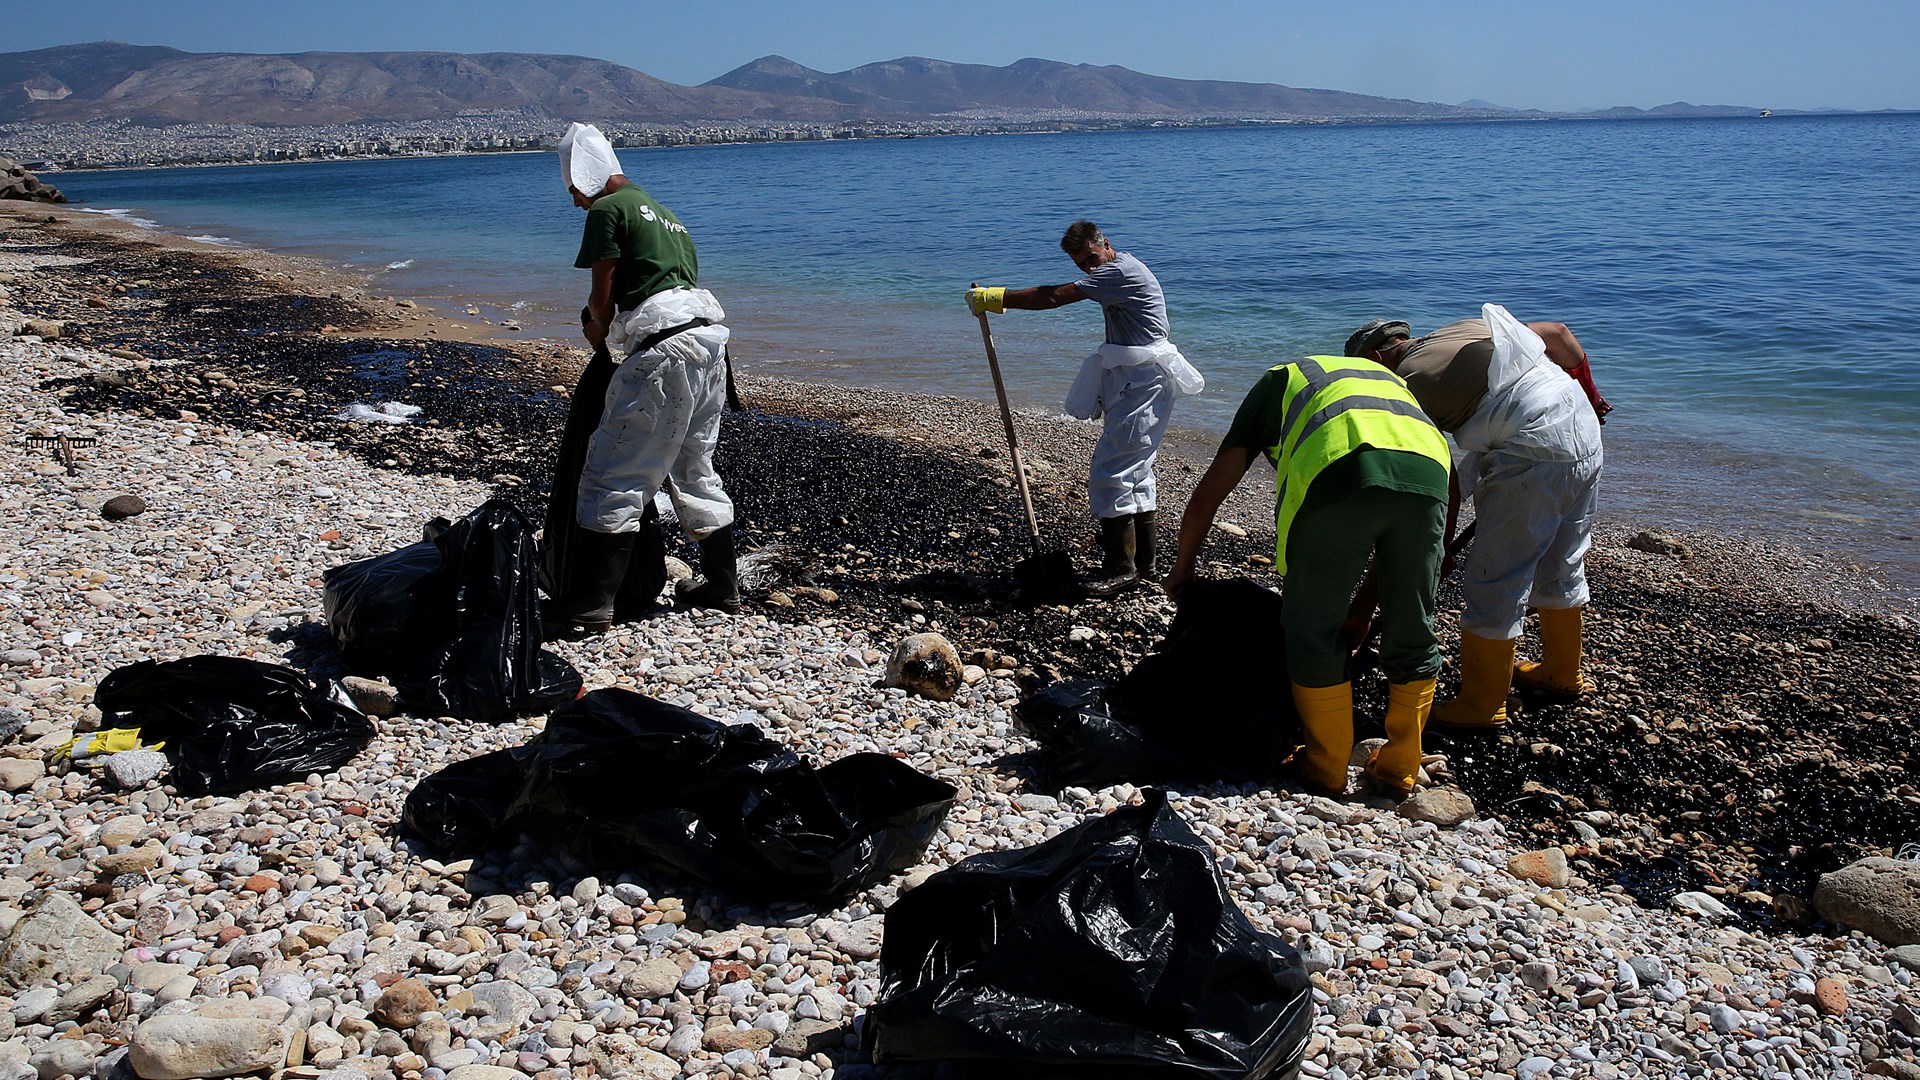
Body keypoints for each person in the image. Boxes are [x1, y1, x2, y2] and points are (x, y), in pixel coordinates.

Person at [1163, 352, 1452, 797]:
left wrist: (1182, 572)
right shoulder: (1388, 384)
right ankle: (1399, 767)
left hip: (1343, 469)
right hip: (1432, 474)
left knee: (1312, 629)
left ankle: (1326, 764)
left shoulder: (1280, 379)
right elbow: (1394, 533)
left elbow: (1207, 497)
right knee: (1412, 628)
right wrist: (1361, 612)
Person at [1343, 304, 1607, 729]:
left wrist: (1439, 549)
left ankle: (1483, 705)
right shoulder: (1464, 327)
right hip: (1579, 424)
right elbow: (1559, 335)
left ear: (1375, 359)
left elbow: (1441, 481)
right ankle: (1562, 673)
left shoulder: (1404, 385)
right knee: (1562, 559)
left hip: (1533, 448)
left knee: (1495, 578)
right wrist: (1592, 400)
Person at [542, 122, 739, 636]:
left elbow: (602, 294)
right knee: (694, 468)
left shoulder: (608, 210)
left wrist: (596, 333)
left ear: (583, 176)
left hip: (663, 353)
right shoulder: (670, 217)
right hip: (710, 346)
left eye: (573, 192)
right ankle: (722, 586)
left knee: (614, 472)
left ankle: (590, 604)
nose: (576, 203)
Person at [966, 222, 1203, 598]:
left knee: (1113, 468)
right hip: (1135, 379)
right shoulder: (1114, 270)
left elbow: (1054, 297)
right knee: (1136, 470)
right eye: (1081, 264)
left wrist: (996, 298)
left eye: (1092, 258)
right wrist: (999, 299)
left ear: (1106, 245)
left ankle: (1121, 569)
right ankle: (1144, 565)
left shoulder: (1121, 271)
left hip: (1144, 382)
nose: (1089, 269)